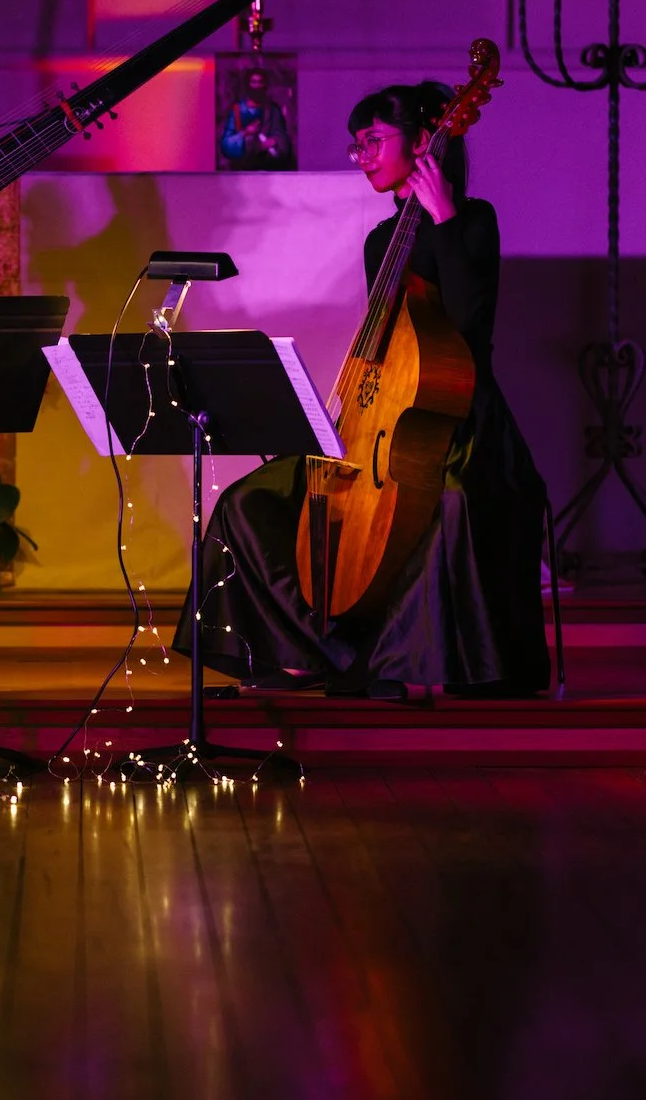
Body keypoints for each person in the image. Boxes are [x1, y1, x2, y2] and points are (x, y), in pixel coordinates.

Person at [178, 80, 550, 699]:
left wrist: (445, 219)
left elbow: (466, 331)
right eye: (358, 146)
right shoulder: (382, 241)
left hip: (458, 425)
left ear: (424, 140)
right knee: (247, 501)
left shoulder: (474, 221)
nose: (365, 156)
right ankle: (311, 651)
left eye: (375, 140)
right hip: (373, 422)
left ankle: (398, 664)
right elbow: (383, 345)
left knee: (447, 502)